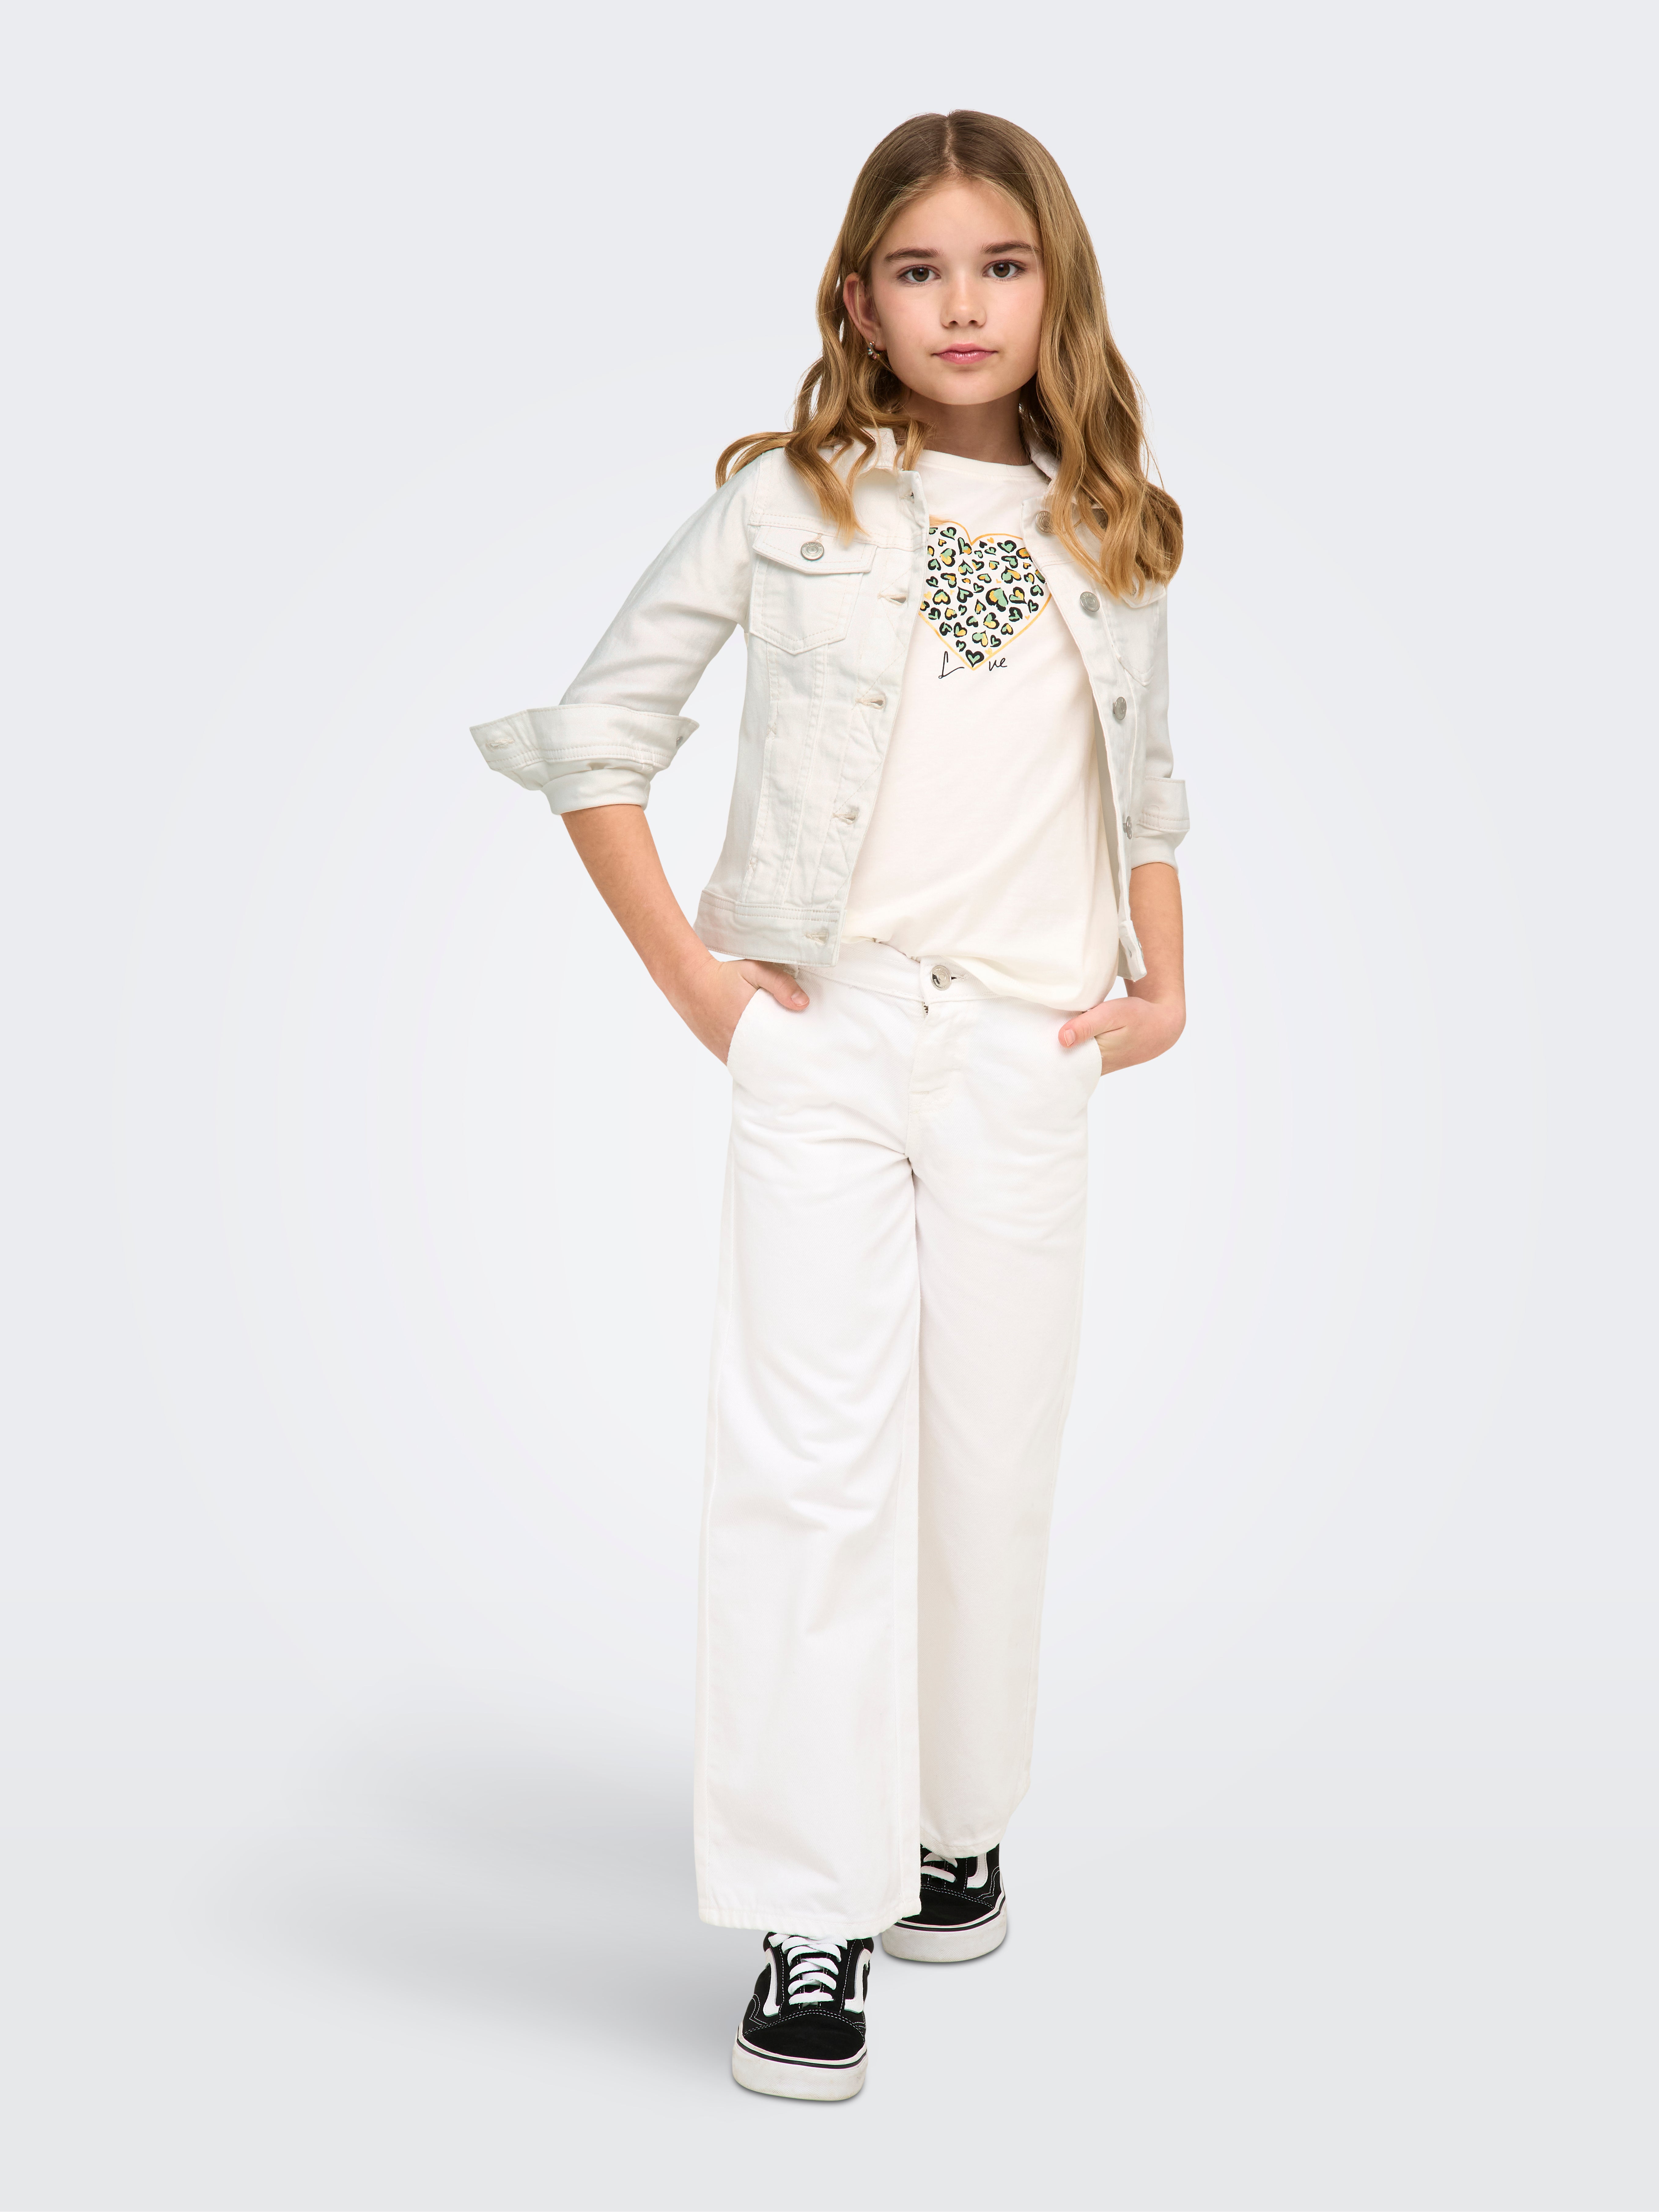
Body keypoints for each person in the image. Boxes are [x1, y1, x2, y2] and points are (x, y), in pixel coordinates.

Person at [470, 109, 1189, 2102]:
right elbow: (596, 734)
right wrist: (710, 994)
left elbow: (1147, 785)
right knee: (808, 1467)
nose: (962, 305)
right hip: (828, 1039)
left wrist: (1161, 986)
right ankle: (811, 1906)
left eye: (1000, 266)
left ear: (1054, 288)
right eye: (918, 269)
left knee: (989, 1453)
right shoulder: (783, 505)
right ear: (857, 302)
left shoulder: (1113, 528)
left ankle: (949, 1820)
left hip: (1028, 1049)